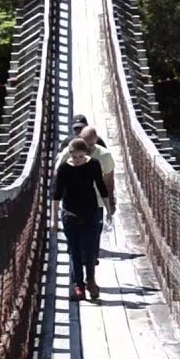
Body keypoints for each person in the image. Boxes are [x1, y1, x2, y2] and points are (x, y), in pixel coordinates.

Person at [55, 125, 115, 297]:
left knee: (90, 248)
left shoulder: (101, 157)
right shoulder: (68, 154)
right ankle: (78, 284)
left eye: (89, 145)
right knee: (74, 250)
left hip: (94, 206)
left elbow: (107, 182)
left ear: (95, 141)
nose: (86, 149)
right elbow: (57, 183)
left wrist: (110, 204)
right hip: (70, 211)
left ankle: (90, 280)